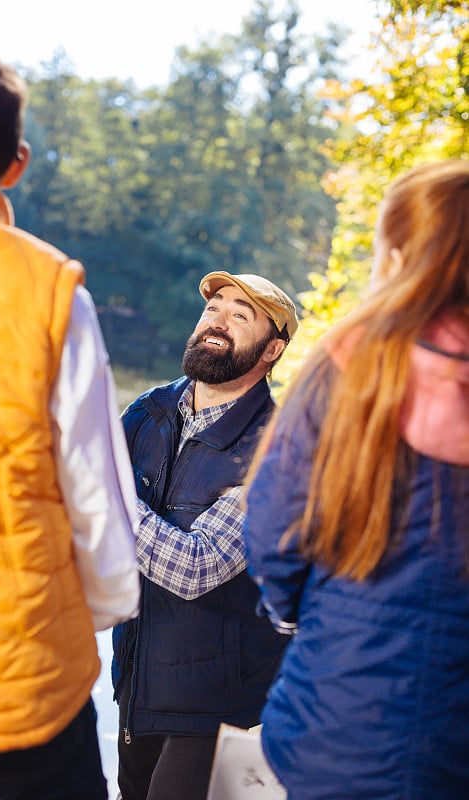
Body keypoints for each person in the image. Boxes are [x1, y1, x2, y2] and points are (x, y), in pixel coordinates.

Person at [0, 38, 140, 800]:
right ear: (14, 164)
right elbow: (92, 481)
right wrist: (110, 604)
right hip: (16, 654)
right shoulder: (50, 287)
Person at [243, 160, 469, 800]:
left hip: (339, 712)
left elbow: (276, 525)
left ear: (396, 257)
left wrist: (289, 613)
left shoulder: (349, 362)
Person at [111, 270, 298, 800]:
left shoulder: (277, 449)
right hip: (136, 684)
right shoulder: (146, 412)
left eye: (241, 316)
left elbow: (197, 567)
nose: (218, 322)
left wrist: (102, 493)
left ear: (272, 350)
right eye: (213, 309)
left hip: (220, 703)